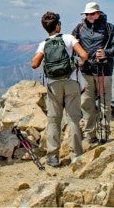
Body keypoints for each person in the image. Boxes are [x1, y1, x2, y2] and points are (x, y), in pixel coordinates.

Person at [31, 11, 88, 168]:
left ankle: (53, 157)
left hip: (53, 84)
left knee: (54, 120)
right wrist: (78, 63)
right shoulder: (68, 38)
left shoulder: (44, 44)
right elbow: (84, 55)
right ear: (58, 26)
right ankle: (76, 155)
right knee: (73, 119)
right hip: (71, 82)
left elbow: (34, 64)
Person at [71, 2, 114, 144]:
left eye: (92, 13)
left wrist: (106, 53)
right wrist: (79, 58)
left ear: (99, 13)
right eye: (87, 14)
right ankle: (90, 134)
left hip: (104, 71)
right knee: (86, 103)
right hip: (86, 71)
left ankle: (104, 134)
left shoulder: (109, 28)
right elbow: (71, 45)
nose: (89, 16)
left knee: (105, 104)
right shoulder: (79, 28)